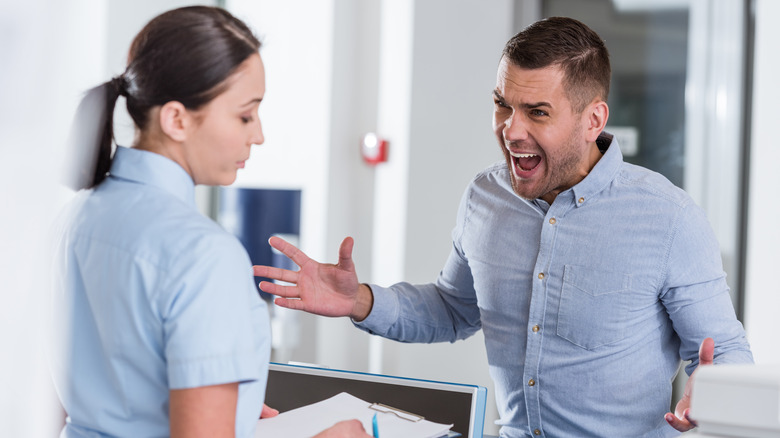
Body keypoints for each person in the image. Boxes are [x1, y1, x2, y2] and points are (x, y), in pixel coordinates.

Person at [253, 16, 754, 437]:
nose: (511, 131)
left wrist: (712, 394)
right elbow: (454, 309)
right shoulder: (485, 197)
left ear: (593, 120)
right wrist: (359, 300)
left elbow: (724, 350)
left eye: (537, 112)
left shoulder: (669, 218)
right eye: (503, 105)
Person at [50, 6, 369, 438]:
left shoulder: (73, 216)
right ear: (176, 119)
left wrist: (226, 416)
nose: (258, 135)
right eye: (245, 115)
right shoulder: (203, 253)